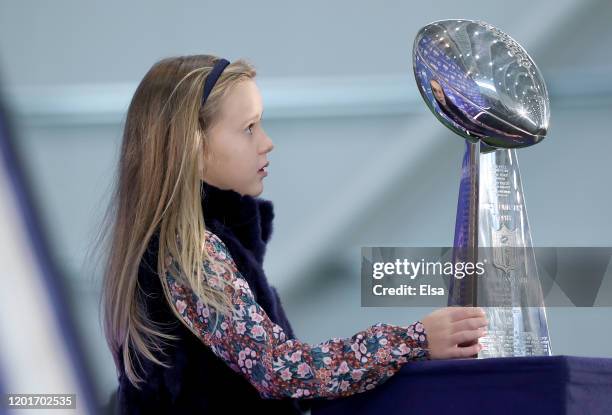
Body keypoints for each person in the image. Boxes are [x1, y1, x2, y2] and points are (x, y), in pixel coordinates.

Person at [101, 55, 489, 413]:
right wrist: (414, 341)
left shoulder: (197, 248)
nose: (266, 142)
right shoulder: (191, 254)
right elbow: (281, 369)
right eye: (249, 128)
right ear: (193, 147)